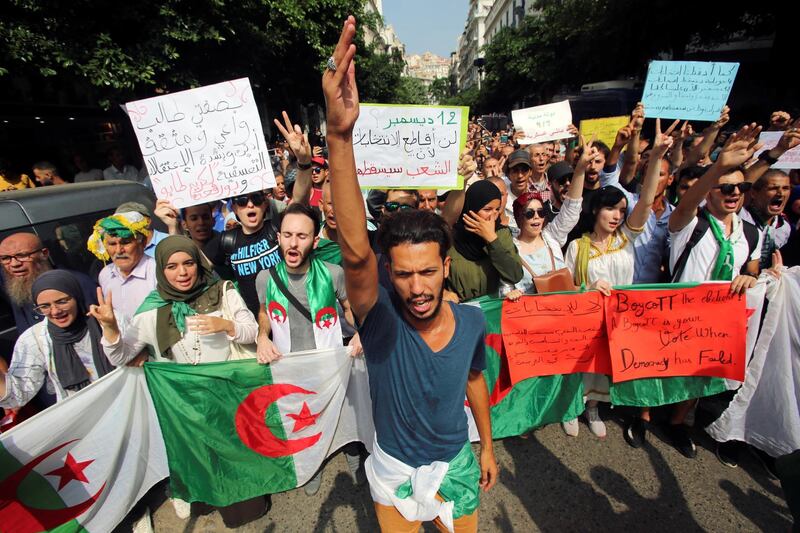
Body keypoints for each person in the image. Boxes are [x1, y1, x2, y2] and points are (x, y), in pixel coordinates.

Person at [323, 17, 497, 532]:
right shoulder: (379, 323)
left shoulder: (470, 323)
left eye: (427, 271)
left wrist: (487, 446)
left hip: (459, 468)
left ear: (446, 267)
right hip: (393, 473)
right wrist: (338, 134)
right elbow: (356, 253)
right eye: (402, 274)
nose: (416, 287)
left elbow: (475, 380)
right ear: (388, 274)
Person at [90, 235, 263, 526]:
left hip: (227, 393)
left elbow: (252, 331)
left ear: (198, 265)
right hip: (185, 404)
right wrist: (109, 329)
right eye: (171, 266)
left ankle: (249, 503)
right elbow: (121, 355)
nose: (182, 273)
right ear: (161, 270)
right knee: (201, 459)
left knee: (237, 455)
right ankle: (209, 499)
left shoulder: (222, 292)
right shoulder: (151, 309)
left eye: (188, 263)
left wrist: (226, 325)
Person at [563, 120, 672, 438]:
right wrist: (587, 288)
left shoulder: (627, 238)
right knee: (579, 364)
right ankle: (572, 408)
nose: (616, 216)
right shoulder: (577, 247)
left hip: (620, 318)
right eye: (611, 209)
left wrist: (655, 160)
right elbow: (567, 290)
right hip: (585, 319)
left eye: (621, 211)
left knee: (604, 366)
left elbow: (647, 201)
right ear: (596, 210)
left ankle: (594, 408)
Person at [662, 123, 765, 459]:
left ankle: (678, 423)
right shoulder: (690, 223)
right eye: (724, 188)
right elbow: (688, 200)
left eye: (740, 187)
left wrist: (753, 278)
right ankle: (644, 415)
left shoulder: (750, 233)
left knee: (700, 375)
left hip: (718, 320)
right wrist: (717, 168)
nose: (733, 193)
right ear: (709, 192)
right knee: (660, 370)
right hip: (678, 315)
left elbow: (751, 269)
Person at [254, 202, 363, 496]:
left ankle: (351, 450)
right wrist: (262, 338)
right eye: (287, 234)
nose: (293, 242)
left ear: (315, 240)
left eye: (301, 236)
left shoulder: (333, 273)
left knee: (342, 410)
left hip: (330, 363)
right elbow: (264, 312)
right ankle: (311, 464)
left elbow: (348, 308)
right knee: (301, 418)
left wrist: (360, 332)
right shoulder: (265, 278)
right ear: (278, 237)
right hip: (290, 367)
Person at [203, 111, 312, 316]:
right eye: (243, 201)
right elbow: (189, 264)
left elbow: (299, 200)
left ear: (265, 203)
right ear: (234, 208)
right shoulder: (226, 241)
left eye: (257, 199)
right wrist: (173, 225)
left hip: (293, 315)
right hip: (256, 329)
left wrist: (304, 163)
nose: (250, 205)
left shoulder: (279, 226)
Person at [0, 271, 114, 408]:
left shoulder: (105, 321)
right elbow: (18, 396)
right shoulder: (34, 339)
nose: (55, 311)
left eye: (62, 302)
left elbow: (132, 358)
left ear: (77, 297)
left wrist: (112, 328)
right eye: (45, 306)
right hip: (82, 416)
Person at [505, 136, 591, 299]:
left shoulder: (551, 237)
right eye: (529, 214)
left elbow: (571, 210)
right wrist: (511, 294)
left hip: (563, 312)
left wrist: (580, 169)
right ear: (519, 218)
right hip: (532, 318)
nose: (536, 218)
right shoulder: (510, 248)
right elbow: (504, 288)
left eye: (541, 212)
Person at [1, 232, 98, 336]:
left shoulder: (77, 283)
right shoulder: (15, 287)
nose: (14, 264)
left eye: (22, 255)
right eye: (5, 258)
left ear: (44, 254)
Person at [444, 179, 523, 301]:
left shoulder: (501, 234)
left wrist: (492, 240)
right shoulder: (451, 237)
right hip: (460, 311)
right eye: (487, 209)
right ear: (471, 207)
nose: (493, 215)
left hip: (492, 310)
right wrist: (444, 293)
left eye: (497, 209)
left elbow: (515, 275)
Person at [88, 211, 157, 326]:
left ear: (143, 242)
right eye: (112, 244)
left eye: (125, 243)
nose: (119, 250)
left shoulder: (157, 271)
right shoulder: (105, 274)